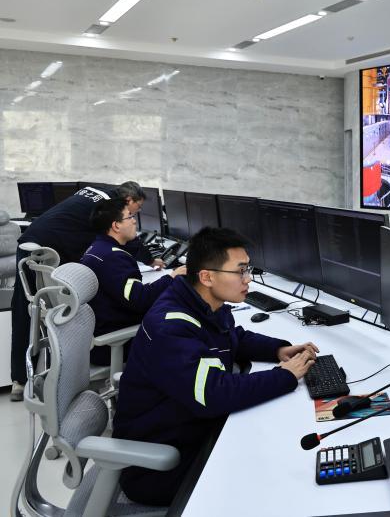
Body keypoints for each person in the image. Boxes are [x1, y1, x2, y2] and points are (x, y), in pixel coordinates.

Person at [113, 227, 318, 506]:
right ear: (207, 277)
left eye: (248, 269)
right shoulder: (170, 326)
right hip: (162, 465)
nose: (248, 279)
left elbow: (232, 337)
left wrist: (276, 349)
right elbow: (214, 394)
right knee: (279, 473)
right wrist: (284, 376)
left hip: (190, 429)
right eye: (241, 271)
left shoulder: (201, 303)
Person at [9, 181, 148, 401]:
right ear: (128, 200)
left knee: (25, 311)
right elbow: (120, 239)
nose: (134, 217)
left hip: (30, 242)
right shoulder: (108, 205)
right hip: (50, 247)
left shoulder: (94, 191)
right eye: (134, 212)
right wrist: (150, 259)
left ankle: (21, 380)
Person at [80, 198, 186, 366]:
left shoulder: (96, 248)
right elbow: (141, 300)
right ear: (116, 226)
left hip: (97, 334)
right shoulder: (114, 257)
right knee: (183, 326)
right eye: (129, 216)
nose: (134, 221)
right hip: (113, 343)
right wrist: (172, 276)